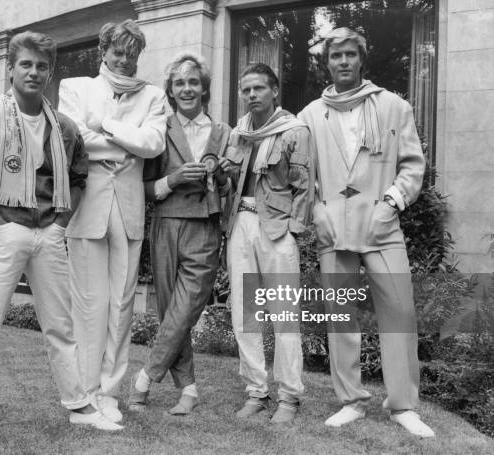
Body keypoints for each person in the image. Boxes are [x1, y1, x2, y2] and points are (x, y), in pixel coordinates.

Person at [0, 31, 122, 455]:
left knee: (60, 328)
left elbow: (81, 177)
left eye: (42, 66)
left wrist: (61, 222)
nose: (34, 72)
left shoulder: (65, 128)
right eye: (26, 64)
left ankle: (79, 407)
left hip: (49, 233)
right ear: (9, 69)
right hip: (3, 232)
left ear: (50, 73)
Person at [298, 27, 434, 437]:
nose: (343, 62)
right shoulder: (309, 115)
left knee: (400, 311)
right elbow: (302, 176)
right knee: (340, 314)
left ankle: (403, 405)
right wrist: (316, 210)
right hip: (333, 227)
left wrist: (391, 202)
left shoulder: (394, 106)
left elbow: (412, 165)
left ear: (361, 59)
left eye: (349, 55)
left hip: (381, 225)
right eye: (335, 55)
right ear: (327, 62)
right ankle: (351, 400)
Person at [57, 19, 166, 424]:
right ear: (103, 51)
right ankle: (85, 393)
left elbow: (152, 144)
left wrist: (105, 126)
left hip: (129, 209)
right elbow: (74, 139)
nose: (124, 60)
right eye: (117, 51)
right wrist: (125, 144)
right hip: (88, 209)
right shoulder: (75, 87)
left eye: (131, 53)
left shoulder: (153, 96)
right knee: (89, 305)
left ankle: (109, 393)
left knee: (121, 305)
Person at [129, 53, 231, 415]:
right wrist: (171, 180)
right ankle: (188, 389)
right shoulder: (159, 128)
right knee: (172, 311)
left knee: (184, 309)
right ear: (171, 91)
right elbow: (141, 186)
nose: (187, 89)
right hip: (166, 223)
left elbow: (230, 184)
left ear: (204, 88)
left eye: (193, 82)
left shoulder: (223, 133)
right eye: (179, 83)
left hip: (204, 226)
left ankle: (144, 378)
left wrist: (218, 175)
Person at [224, 63, 313, 424]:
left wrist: (294, 229)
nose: (251, 95)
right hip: (240, 224)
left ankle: (289, 397)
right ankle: (256, 391)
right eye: (245, 90)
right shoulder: (239, 132)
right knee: (245, 312)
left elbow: (304, 184)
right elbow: (230, 181)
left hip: (276, 229)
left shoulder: (294, 130)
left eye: (258, 88)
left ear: (274, 91)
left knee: (284, 314)